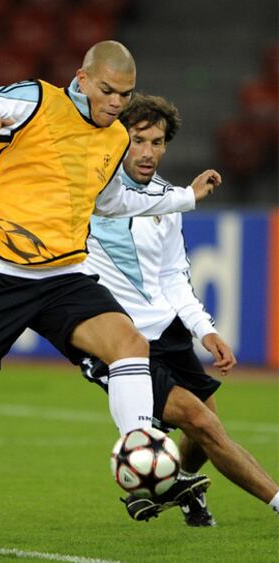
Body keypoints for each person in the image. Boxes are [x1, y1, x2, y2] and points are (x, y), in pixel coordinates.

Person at [0, 41, 220, 552]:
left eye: (124, 93)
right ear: (82, 77)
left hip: (63, 276)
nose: (117, 102)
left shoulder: (115, 137)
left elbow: (113, 198)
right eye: (107, 90)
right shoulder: (35, 100)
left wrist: (184, 197)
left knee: (129, 345)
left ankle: (138, 452)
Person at [80, 92, 279, 525]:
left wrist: (204, 330)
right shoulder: (88, 195)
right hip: (120, 341)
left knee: (203, 427)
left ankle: (177, 488)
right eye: (138, 140)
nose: (148, 151)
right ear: (118, 139)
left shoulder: (169, 200)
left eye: (157, 141)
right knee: (203, 424)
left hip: (168, 332)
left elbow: (174, 277)